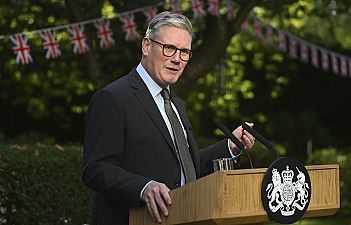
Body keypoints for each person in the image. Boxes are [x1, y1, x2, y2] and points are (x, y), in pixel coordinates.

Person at [82, 11, 255, 225]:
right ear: (146, 46)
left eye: (184, 52)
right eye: (169, 48)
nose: (177, 59)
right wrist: (143, 188)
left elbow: (185, 169)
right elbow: (95, 169)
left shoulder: (177, 105)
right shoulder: (112, 98)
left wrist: (229, 147)